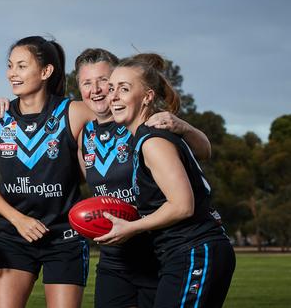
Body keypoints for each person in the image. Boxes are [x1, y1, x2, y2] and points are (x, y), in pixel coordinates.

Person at [74, 48, 212, 308]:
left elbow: (203, 152)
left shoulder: (146, 123)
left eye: (104, 81)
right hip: (116, 257)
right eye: (86, 83)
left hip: (156, 251)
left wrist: (183, 125)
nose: (97, 90)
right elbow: (98, 197)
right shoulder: (86, 135)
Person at [0, 36, 95, 308]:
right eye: (10, 66)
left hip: (65, 237)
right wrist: (18, 219)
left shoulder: (74, 112)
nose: (11, 74)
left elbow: (122, 118)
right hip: (15, 236)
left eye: (21, 66)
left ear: (45, 71)